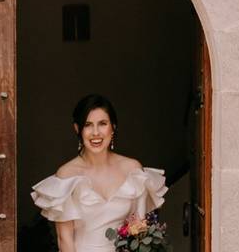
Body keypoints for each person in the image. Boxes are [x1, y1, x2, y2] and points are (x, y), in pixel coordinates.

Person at [31, 94, 167, 252]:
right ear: (77, 129)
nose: (95, 132)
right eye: (88, 125)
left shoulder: (132, 169)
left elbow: (140, 230)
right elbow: (65, 239)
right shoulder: (67, 175)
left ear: (113, 127)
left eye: (102, 123)